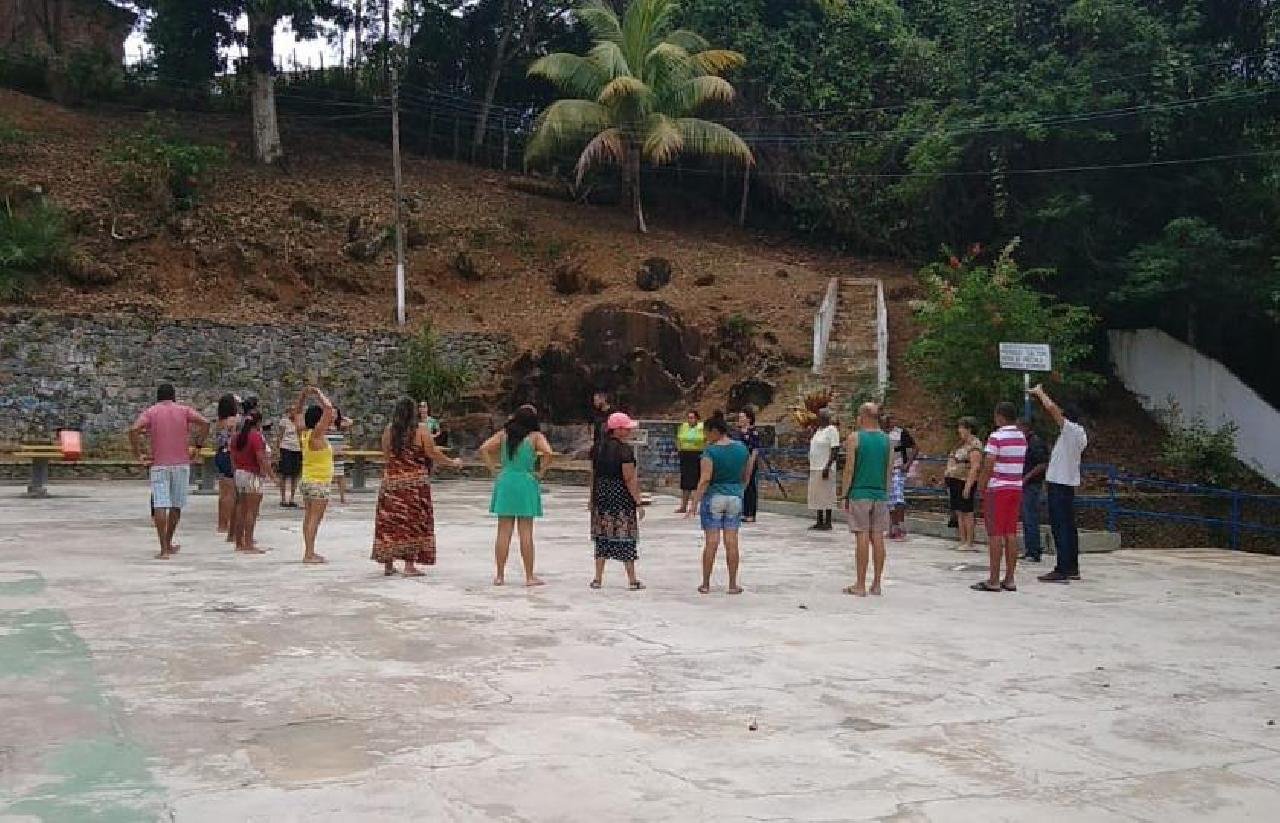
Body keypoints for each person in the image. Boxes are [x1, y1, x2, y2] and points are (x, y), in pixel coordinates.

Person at [373, 398, 462, 577]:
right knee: (413, 523)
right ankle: (409, 565)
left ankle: (388, 564)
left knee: (390, 522)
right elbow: (431, 452)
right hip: (414, 485)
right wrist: (452, 462)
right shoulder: (421, 430)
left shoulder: (389, 430)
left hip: (391, 483)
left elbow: (386, 455)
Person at [128, 384, 209, 559]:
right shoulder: (184, 410)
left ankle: (163, 548)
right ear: (174, 397)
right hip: (181, 463)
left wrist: (138, 454)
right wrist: (198, 446)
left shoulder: (152, 412)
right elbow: (205, 423)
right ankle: (168, 540)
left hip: (159, 464)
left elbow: (134, 429)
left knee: (160, 503)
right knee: (176, 505)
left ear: (158, 397)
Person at [481, 405, 555, 587]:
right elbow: (549, 453)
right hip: (526, 481)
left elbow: (484, 448)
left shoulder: (503, 435)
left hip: (506, 480)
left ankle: (499, 575)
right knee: (526, 532)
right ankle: (529, 577)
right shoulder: (535, 437)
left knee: (503, 532)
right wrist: (541, 472)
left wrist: (493, 470)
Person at [687, 412, 750, 595]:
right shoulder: (741, 448)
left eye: (707, 433)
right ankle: (732, 584)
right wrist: (740, 491)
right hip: (735, 497)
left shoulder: (710, 452)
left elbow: (705, 479)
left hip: (714, 496)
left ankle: (706, 583)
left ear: (715, 431)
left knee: (711, 542)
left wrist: (694, 502)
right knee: (732, 542)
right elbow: (745, 475)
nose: (706, 437)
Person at [1031, 385, 1089, 583]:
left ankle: (1062, 568)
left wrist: (1040, 393)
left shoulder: (1071, 431)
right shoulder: (1079, 435)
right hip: (1066, 485)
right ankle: (1071, 566)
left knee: (1060, 528)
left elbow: (1052, 409)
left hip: (1060, 485)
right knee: (1069, 528)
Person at [972, 402, 1027, 593]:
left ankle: (993, 579)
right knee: (1010, 533)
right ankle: (1010, 578)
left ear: (1000, 417)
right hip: (1015, 487)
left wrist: (981, 486)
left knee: (995, 534)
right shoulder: (1021, 437)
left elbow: (989, 464)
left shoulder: (996, 437)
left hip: (998, 488)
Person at [589, 412, 646, 590]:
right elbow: (629, 478)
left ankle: (597, 578)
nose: (629, 431)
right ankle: (632, 579)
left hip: (602, 495)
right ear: (618, 430)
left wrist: (591, 498)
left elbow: (593, 475)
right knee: (626, 537)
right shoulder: (624, 450)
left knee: (602, 537)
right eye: (626, 428)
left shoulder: (597, 448)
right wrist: (638, 501)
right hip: (620, 497)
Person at [840, 402, 892, 596]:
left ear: (864, 416)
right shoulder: (887, 440)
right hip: (879, 493)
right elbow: (888, 470)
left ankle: (860, 584)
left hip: (860, 492)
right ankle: (877, 583)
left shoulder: (855, 438)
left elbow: (849, 468)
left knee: (861, 535)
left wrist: (844, 493)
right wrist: (885, 493)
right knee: (877, 537)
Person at [294, 386, 337, 565]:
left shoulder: (303, 433)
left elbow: (297, 413)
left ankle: (309, 551)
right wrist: (319, 394)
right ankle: (309, 553)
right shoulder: (316, 435)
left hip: (308, 480)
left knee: (308, 517)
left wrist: (303, 397)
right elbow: (329, 409)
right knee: (314, 519)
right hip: (318, 482)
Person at [229, 408, 275, 554]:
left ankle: (239, 542)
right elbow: (261, 458)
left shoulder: (236, 437)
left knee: (240, 508)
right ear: (259, 423)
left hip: (239, 473)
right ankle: (248, 543)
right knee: (252, 511)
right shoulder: (256, 437)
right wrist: (271, 475)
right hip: (252, 474)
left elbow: (232, 457)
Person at [944, 418, 984, 551]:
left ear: (969, 429)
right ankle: (962, 539)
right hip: (954, 480)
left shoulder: (974, 445)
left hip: (965, 480)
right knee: (959, 511)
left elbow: (975, 467)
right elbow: (952, 458)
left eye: (962, 427)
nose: (959, 430)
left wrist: (968, 485)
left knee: (967, 511)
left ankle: (969, 541)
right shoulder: (959, 445)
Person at [1018, 417, 1049, 562]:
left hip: (1032, 485)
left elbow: (1042, 464)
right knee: (1026, 517)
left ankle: (1034, 550)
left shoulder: (1034, 443)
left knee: (1030, 517)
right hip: (1026, 484)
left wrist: (1027, 477)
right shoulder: (1025, 443)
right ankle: (1030, 548)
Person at [882, 412, 917, 540]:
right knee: (889, 499)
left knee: (898, 497)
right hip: (886, 469)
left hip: (898, 467)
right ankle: (892, 526)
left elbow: (914, 448)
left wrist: (908, 463)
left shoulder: (901, 433)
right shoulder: (881, 434)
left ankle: (901, 526)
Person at [807, 408, 841, 531]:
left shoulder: (831, 430)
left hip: (825, 467)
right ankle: (819, 520)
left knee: (827, 494)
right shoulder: (818, 431)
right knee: (817, 495)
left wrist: (828, 465)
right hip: (815, 466)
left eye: (821, 416)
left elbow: (835, 449)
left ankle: (828, 521)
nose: (819, 418)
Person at [213, 394, 241, 535]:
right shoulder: (234, 421)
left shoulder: (219, 422)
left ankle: (221, 523)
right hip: (230, 455)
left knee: (223, 492)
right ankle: (230, 522)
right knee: (231, 492)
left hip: (220, 454)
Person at [734, 406, 763, 523]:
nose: (740, 419)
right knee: (740, 487)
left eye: (742, 417)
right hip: (738, 462)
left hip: (749, 461)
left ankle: (750, 513)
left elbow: (755, 450)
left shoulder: (753, 432)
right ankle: (742, 511)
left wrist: (750, 465)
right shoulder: (738, 432)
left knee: (750, 486)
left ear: (749, 419)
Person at [675, 409, 705, 514]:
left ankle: (694, 506)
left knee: (697, 481)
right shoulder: (683, 426)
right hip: (685, 455)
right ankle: (683, 506)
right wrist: (679, 450)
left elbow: (706, 440)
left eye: (692, 417)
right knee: (685, 481)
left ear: (697, 418)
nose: (690, 420)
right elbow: (678, 439)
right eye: (688, 417)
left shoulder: (702, 427)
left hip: (697, 455)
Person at [275, 402, 302, 508]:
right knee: (284, 474)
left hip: (297, 449)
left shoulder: (299, 422)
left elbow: (300, 436)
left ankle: (292, 498)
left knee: (295, 475)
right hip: (285, 448)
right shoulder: (284, 422)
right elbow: (280, 436)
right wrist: (277, 450)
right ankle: (283, 498)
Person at [326, 410, 353, 504]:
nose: (333, 415)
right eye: (331, 413)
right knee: (327, 477)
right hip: (327, 455)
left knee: (340, 476)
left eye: (335, 413)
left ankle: (342, 498)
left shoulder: (340, 427)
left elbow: (350, 422)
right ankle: (325, 497)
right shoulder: (324, 427)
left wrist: (341, 417)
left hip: (339, 454)